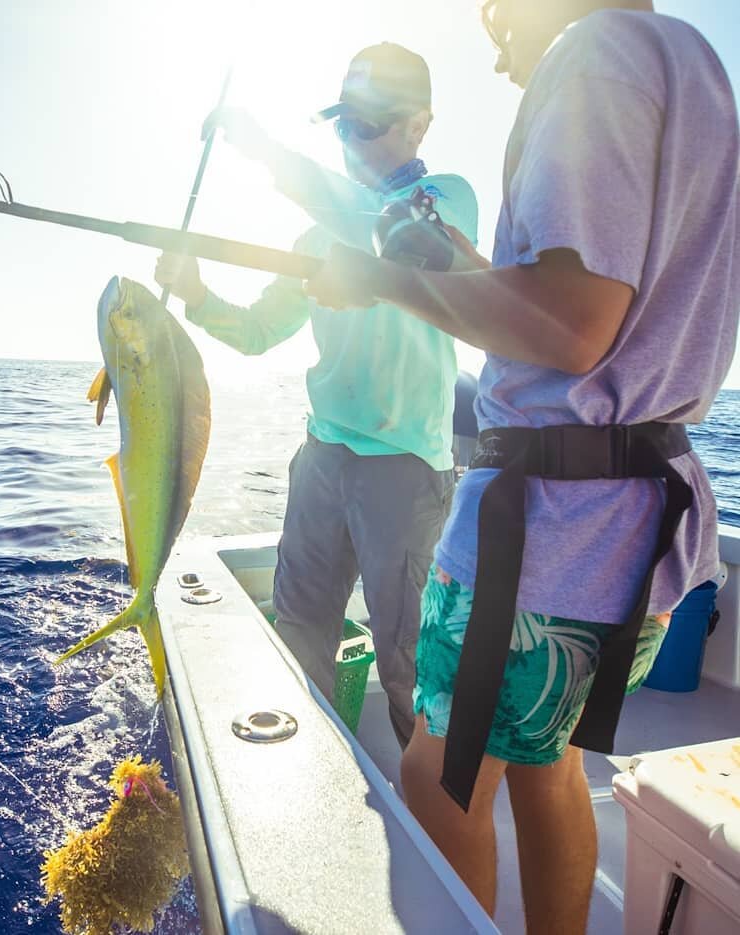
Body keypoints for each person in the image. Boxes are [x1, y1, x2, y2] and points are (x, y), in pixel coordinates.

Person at [303, 1, 739, 931]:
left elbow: (572, 325)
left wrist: (377, 280)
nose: (493, 34)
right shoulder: (692, 63)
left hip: (547, 535)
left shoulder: (593, 56)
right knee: (548, 764)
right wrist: (463, 262)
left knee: (440, 771)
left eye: (497, 10)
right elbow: (602, 301)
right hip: (643, 532)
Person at [156, 44, 479, 748]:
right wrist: (197, 295)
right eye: (343, 124)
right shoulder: (317, 226)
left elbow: (394, 230)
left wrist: (268, 152)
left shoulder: (449, 197)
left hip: (405, 468)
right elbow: (257, 330)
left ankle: (429, 818)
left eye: (368, 125)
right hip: (322, 459)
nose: (351, 139)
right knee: (299, 633)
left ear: (418, 127)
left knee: (404, 662)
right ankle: (307, 780)